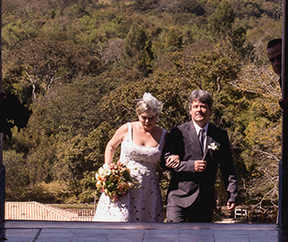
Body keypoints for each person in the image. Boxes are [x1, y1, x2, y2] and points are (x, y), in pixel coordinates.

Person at [160, 89, 238, 222]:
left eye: (203, 106)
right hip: (179, 197)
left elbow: (228, 167)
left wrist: (232, 194)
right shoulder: (178, 132)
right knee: (174, 239)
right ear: (190, 110)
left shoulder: (220, 135)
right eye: (195, 106)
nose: (199, 110)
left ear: (210, 110)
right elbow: (164, 162)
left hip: (205, 200)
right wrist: (191, 166)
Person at [92, 93, 167, 222]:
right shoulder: (127, 128)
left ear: (157, 116)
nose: (147, 121)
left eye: (151, 117)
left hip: (148, 189)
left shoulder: (163, 135)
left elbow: (169, 155)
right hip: (123, 186)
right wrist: (108, 170)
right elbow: (110, 146)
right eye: (143, 118)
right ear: (138, 115)